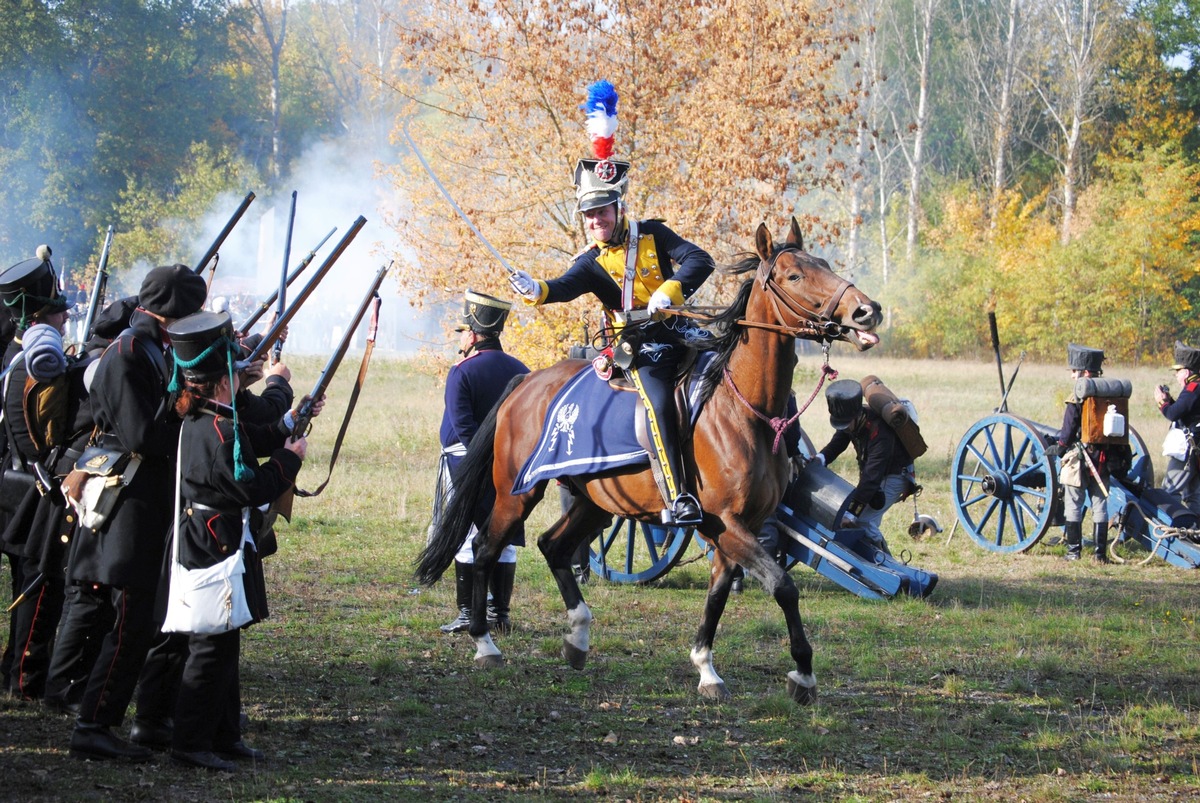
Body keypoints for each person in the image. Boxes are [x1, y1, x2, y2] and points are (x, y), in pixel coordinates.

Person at [509, 81, 714, 525]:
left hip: (681, 330)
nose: (595, 221)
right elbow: (560, 287)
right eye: (588, 215)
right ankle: (679, 496)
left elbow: (700, 260)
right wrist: (535, 289)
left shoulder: (654, 235)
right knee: (659, 402)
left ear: (619, 207)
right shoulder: (590, 263)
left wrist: (669, 291)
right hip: (639, 347)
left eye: (602, 211)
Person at [65, 263, 207, 762]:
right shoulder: (127, 354)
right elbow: (142, 437)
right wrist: (188, 413)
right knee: (130, 623)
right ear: (170, 315)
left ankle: (131, 720)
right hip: (129, 505)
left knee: (142, 621)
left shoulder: (151, 347)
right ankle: (94, 724)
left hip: (149, 503)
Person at [163, 310, 306, 772]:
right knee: (210, 647)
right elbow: (248, 486)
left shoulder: (214, 418)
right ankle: (191, 741)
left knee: (225, 644)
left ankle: (224, 736)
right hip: (213, 543)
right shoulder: (217, 427)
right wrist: (288, 461)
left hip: (219, 537)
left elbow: (250, 439)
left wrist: (287, 424)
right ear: (223, 379)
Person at [0, 246, 76, 699]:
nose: (64, 318)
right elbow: (41, 441)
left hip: (19, 487)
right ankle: (25, 677)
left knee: (29, 585)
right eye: (56, 311)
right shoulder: (33, 366)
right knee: (37, 586)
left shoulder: (18, 356)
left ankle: (16, 665)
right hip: (32, 491)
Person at [436, 291, 529, 634]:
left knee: (465, 536)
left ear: (473, 334)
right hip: (509, 465)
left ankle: (466, 613)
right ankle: (499, 614)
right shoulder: (522, 370)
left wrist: (481, 457)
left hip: (465, 461)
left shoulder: (462, 371)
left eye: (462, 331)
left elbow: (462, 426)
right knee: (501, 535)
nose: (461, 338)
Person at [811, 379, 915, 556]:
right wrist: (820, 459)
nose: (844, 428)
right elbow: (838, 442)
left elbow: (871, 478)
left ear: (857, 415)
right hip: (875, 477)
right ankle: (885, 566)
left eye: (845, 423)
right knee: (864, 522)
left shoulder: (880, 431)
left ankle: (888, 568)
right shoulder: (851, 420)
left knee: (863, 523)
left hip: (895, 476)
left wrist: (852, 513)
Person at [1044, 344, 1124, 562]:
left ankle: (1073, 553)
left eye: (1074, 371)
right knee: (1100, 506)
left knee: (1073, 504)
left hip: (1080, 462)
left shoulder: (1077, 397)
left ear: (1085, 373)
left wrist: (1059, 447)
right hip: (1104, 462)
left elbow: (1068, 430)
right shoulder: (1112, 396)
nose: (1072, 375)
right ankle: (1099, 555)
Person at [1155, 341, 1200, 511]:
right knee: (1193, 496)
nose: (1176, 375)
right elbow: (1185, 411)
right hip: (1196, 451)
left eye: (1178, 371)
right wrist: (1170, 401)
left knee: (1169, 492)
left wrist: (1161, 402)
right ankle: (1194, 534)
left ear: (1187, 372)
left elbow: (1173, 414)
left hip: (1188, 452)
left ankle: (1172, 533)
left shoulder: (1192, 388)